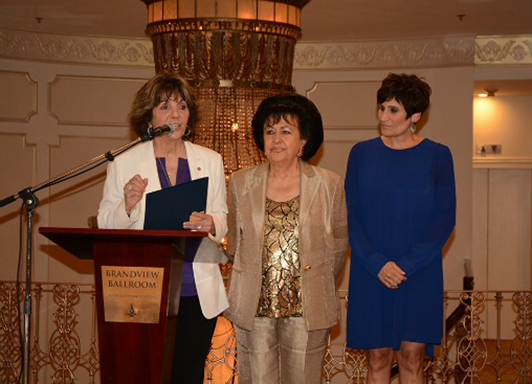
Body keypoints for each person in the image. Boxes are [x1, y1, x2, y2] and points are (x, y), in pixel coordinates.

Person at [97, 73, 229, 383]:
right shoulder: (124, 162)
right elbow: (104, 220)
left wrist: (212, 223)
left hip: (195, 289)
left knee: (188, 374)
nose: (175, 114)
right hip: (142, 288)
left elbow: (222, 216)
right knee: (145, 373)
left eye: (182, 107)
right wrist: (127, 205)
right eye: (165, 106)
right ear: (148, 116)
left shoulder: (210, 160)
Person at [224, 93, 348, 384]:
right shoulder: (241, 182)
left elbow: (339, 245)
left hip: (307, 309)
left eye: (285, 131)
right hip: (254, 308)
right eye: (269, 131)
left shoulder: (329, 183)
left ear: (303, 141)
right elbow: (233, 242)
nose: (276, 139)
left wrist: (317, 281)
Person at [345, 73, 456, 384]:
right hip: (371, 270)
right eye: (382, 108)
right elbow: (350, 216)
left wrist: (405, 265)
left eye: (393, 110)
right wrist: (378, 264)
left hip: (419, 272)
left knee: (411, 358)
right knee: (377, 358)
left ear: (415, 116)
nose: (383, 116)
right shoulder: (361, 154)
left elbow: (445, 219)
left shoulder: (437, 155)